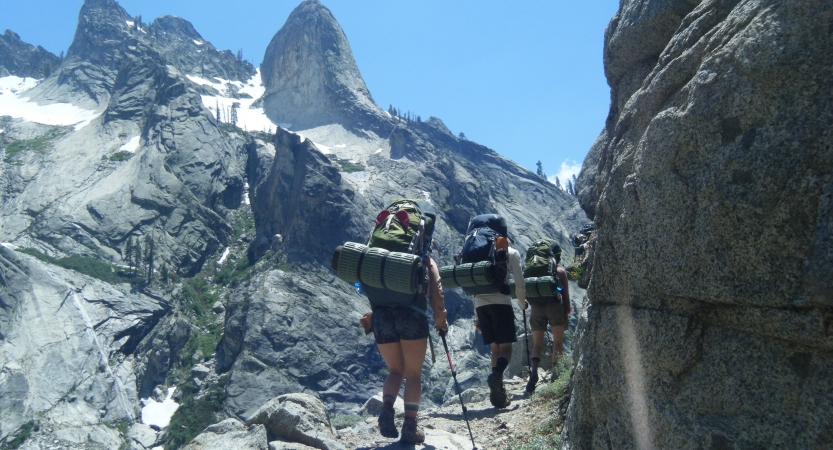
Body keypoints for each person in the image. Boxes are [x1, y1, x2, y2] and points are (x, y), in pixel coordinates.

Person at [372, 256, 448, 444]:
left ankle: (387, 409)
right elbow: (436, 289)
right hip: (411, 314)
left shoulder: (379, 250)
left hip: (381, 314)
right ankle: (410, 427)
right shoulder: (423, 255)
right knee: (413, 374)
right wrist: (441, 320)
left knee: (395, 370)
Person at [473, 242, 527, 408]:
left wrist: (476, 315)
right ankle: (497, 376)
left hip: (480, 304)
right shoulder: (510, 252)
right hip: (501, 304)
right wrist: (521, 301)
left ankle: (498, 392)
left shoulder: (477, 254)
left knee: (495, 349)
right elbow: (519, 281)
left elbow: (472, 284)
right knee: (506, 348)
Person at [526, 245, 571, 392]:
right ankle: (555, 377)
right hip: (554, 306)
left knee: (537, 344)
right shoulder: (560, 272)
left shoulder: (534, 272)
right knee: (558, 343)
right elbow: (565, 297)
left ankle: (533, 372)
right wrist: (565, 317)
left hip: (537, 307)